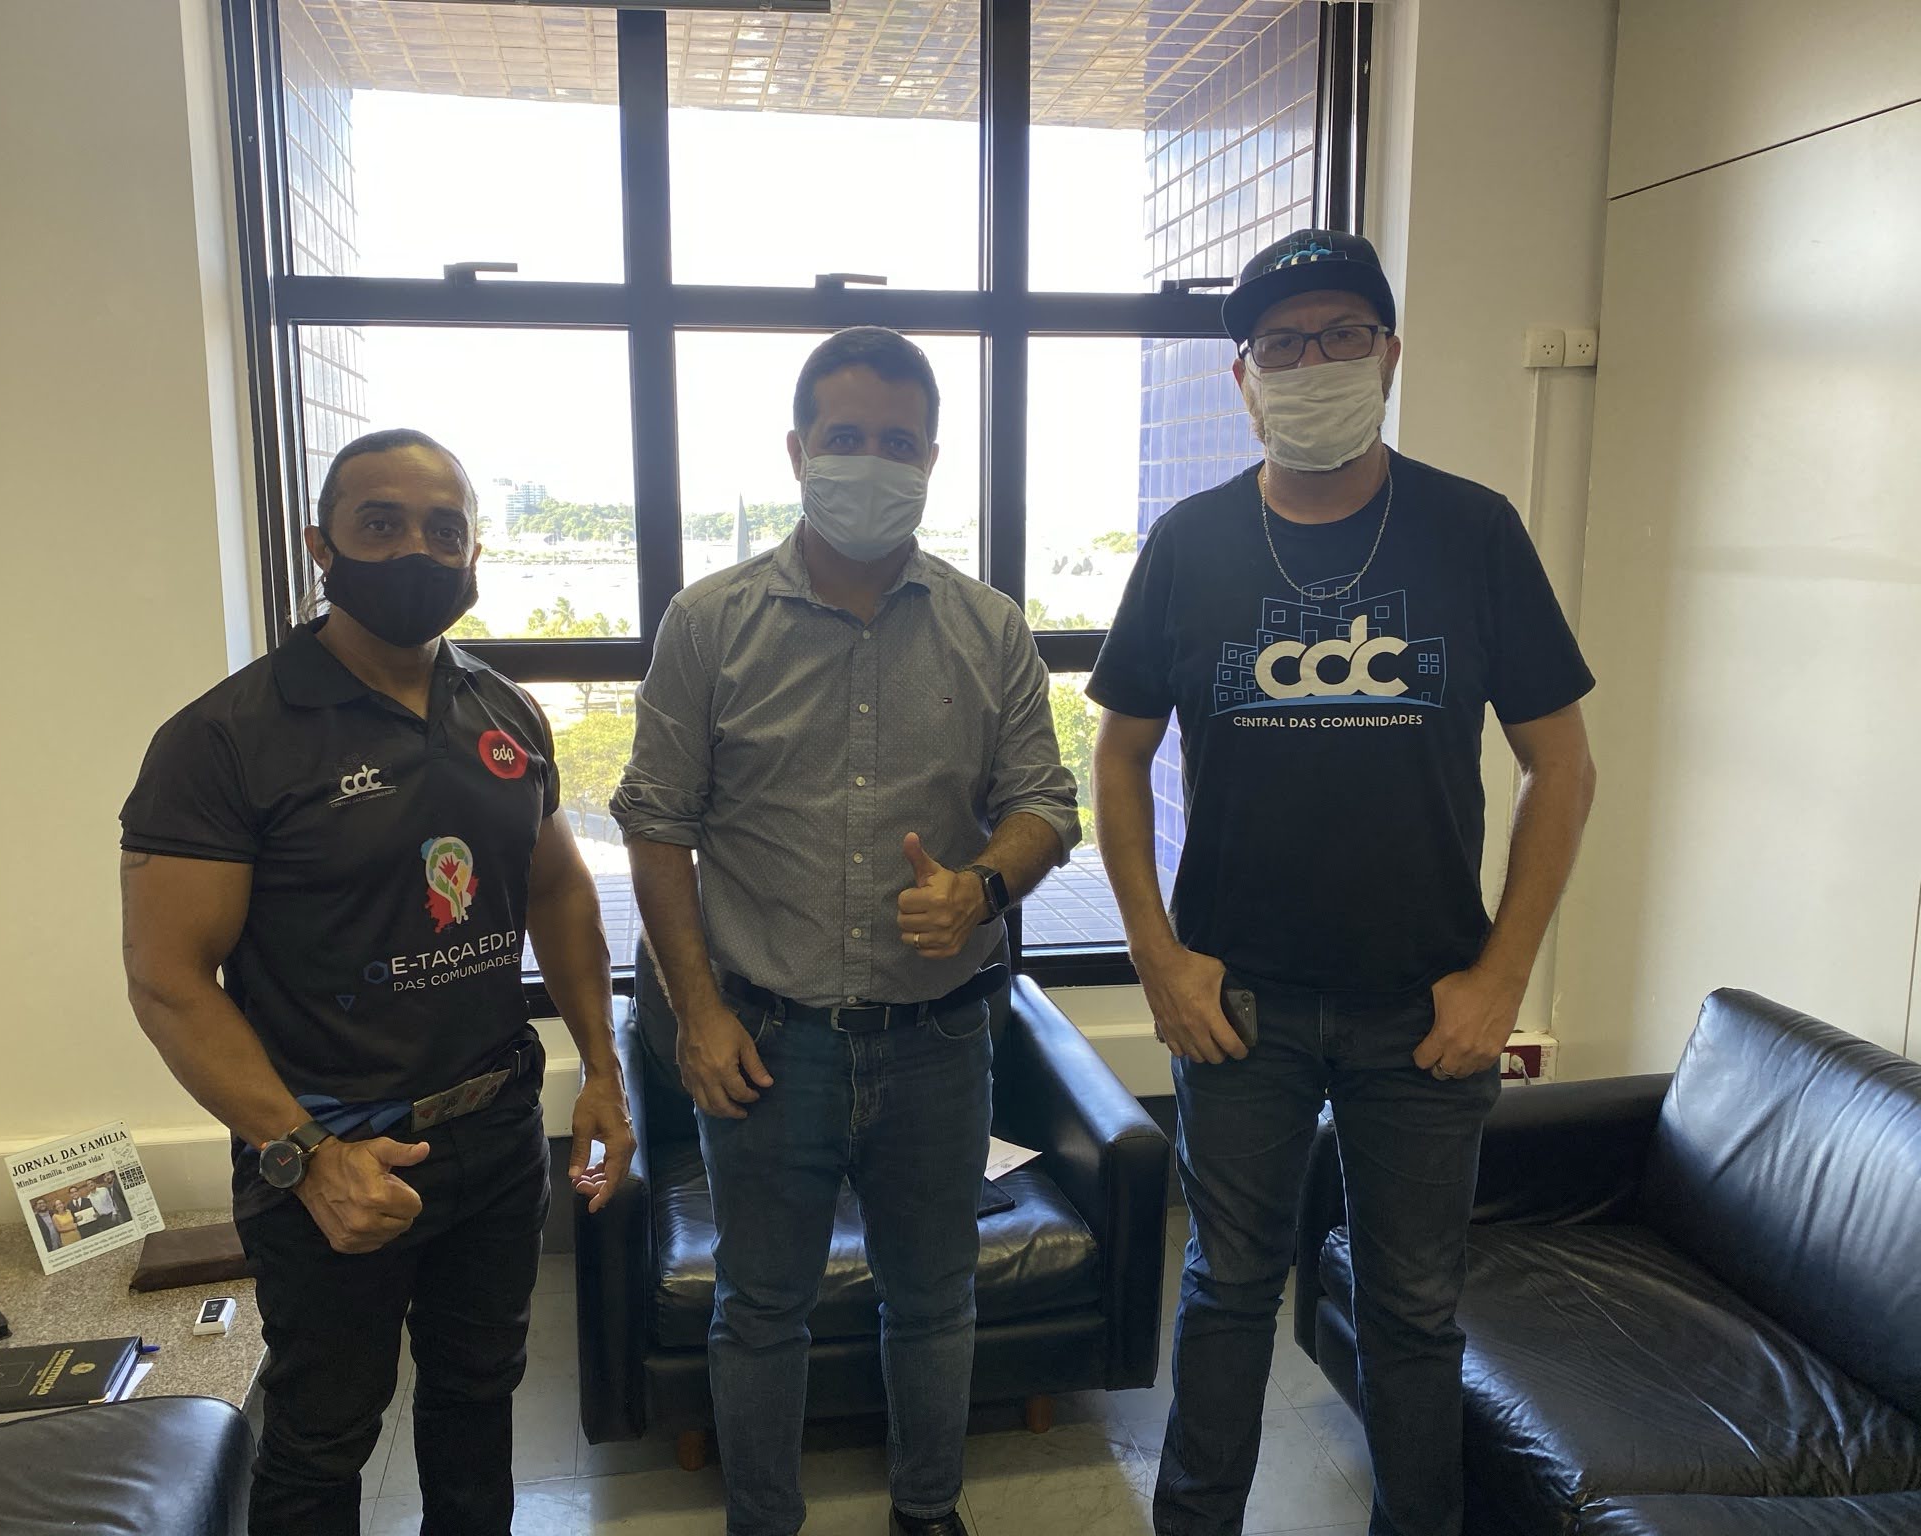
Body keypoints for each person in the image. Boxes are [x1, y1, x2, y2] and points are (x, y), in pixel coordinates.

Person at [1088, 229, 1597, 1536]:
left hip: (1426, 1009)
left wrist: (1500, 979)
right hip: (1235, 1005)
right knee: (1225, 1294)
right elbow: (1118, 756)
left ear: (1388, 354)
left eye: (1340, 335)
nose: (1311, 362)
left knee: (1414, 1312)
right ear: (1243, 378)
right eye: (1281, 343)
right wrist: (1158, 959)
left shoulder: (1472, 532)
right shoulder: (1190, 543)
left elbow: (1560, 767)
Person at [119, 427, 635, 1536]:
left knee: (478, 1400)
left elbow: (557, 893)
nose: (415, 551)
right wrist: (305, 1157)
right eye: (381, 524)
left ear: (474, 553)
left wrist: (601, 1068)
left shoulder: (505, 712)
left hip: (493, 1134)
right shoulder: (223, 739)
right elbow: (168, 981)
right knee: (322, 1435)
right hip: (331, 1149)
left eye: (443, 530)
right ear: (323, 546)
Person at [612, 327, 1080, 1536]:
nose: (870, 461)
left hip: (939, 1043)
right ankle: (763, 1521)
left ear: (930, 460)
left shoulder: (989, 628)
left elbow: (1046, 803)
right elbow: (655, 827)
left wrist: (980, 889)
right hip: (767, 1044)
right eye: (844, 437)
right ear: (796, 450)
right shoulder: (708, 624)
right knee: (759, 1309)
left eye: (896, 442)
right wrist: (695, 1017)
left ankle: (927, 1513)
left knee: (932, 1302)